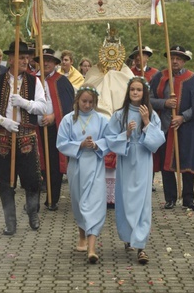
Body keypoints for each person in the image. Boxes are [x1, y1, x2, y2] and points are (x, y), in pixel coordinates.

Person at [0, 40, 47, 235]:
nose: (26, 60)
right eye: (21, 57)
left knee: (32, 179)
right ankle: (10, 221)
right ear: (11, 59)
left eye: (27, 57)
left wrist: (25, 103)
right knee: (4, 181)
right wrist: (2, 120)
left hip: (26, 136)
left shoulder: (35, 81)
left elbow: (43, 107)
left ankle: (33, 215)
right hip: (3, 137)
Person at [105, 76, 165, 265]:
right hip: (126, 159)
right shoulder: (119, 114)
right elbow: (110, 138)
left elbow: (157, 141)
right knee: (125, 199)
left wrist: (146, 122)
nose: (135, 93)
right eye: (133, 90)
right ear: (128, 92)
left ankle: (141, 246)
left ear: (144, 92)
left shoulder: (151, 113)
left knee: (142, 202)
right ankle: (129, 236)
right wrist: (127, 133)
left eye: (139, 90)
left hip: (143, 160)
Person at [57, 86, 108, 264]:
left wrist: (95, 145)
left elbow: (109, 139)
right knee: (79, 202)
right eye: (84, 101)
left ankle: (92, 249)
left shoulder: (102, 119)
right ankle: (82, 237)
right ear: (77, 100)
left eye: (91, 102)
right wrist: (79, 145)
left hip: (95, 165)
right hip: (77, 166)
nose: (87, 105)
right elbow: (61, 142)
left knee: (93, 204)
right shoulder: (68, 119)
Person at [150, 45, 194, 210]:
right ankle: (170, 198)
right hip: (165, 127)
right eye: (172, 58)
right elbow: (149, 99)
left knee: (186, 163)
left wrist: (183, 117)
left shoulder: (193, 79)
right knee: (167, 165)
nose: (174, 61)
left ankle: (188, 198)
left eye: (178, 58)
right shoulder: (159, 77)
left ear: (184, 61)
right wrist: (165, 103)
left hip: (186, 128)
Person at [84, 25, 133, 208]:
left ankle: (116, 196)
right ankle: (98, 196)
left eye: (114, 53)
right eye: (108, 53)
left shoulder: (127, 73)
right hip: (99, 121)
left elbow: (133, 92)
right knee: (98, 162)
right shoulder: (94, 72)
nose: (111, 59)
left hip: (121, 121)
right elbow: (86, 91)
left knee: (119, 163)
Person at [33, 47, 75, 211]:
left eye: (49, 61)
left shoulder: (61, 81)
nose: (46, 64)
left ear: (55, 63)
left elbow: (69, 106)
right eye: (43, 61)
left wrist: (53, 117)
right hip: (33, 129)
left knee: (53, 165)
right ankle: (33, 200)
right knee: (34, 165)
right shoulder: (32, 80)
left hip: (53, 129)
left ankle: (52, 198)